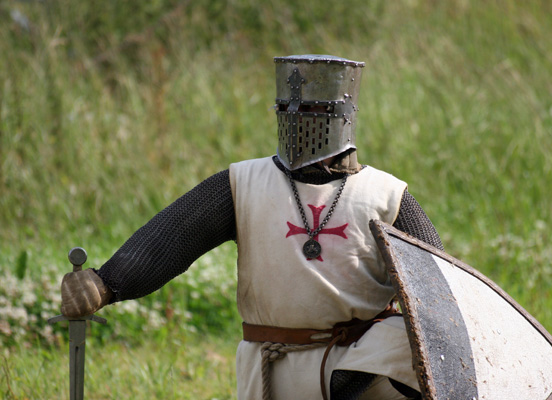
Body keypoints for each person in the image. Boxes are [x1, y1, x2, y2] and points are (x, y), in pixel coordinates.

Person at [61, 54, 444, 400]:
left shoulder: (385, 196)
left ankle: (347, 381)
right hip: (272, 371)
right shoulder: (243, 184)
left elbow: (436, 292)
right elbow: (171, 240)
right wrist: (105, 283)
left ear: (341, 114)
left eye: (312, 108)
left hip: (363, 369)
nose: (298, 118)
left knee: (404, 342)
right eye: (289, 107)